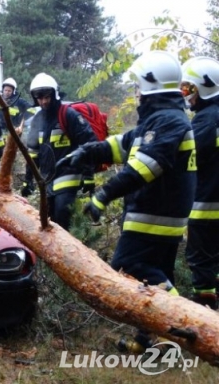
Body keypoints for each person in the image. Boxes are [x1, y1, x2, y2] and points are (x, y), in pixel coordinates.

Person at [60, 51, 195, 352]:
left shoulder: (167, 121)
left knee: (129, 265)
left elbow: (143, 170)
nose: (135, 92)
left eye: (138, 85)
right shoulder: (160, 119)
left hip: (154, 215)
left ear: (150, 85)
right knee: (153, 278)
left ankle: (187, 320)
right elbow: (121, 145)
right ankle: (148, 340)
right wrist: (85, 153)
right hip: (156, 214)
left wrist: (102, 196)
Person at [23, 72, 97, 231]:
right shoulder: (37, 120)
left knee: (62, 213)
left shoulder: (68, 115)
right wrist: (28, 179)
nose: (43, 101)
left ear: (54, 94)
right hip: (47, 178)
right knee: (49, 220)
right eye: (39, 98)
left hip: (68, 174)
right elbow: (33, 153)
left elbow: (89, 142)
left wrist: (88, 174)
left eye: (46, 97)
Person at [180, 57, 219, 309]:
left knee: (201, 258)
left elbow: (188, 157)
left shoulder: (206, 120)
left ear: (204, 88)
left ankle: (204, 312)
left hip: (206, 203)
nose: (187, 96)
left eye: (189, 89)